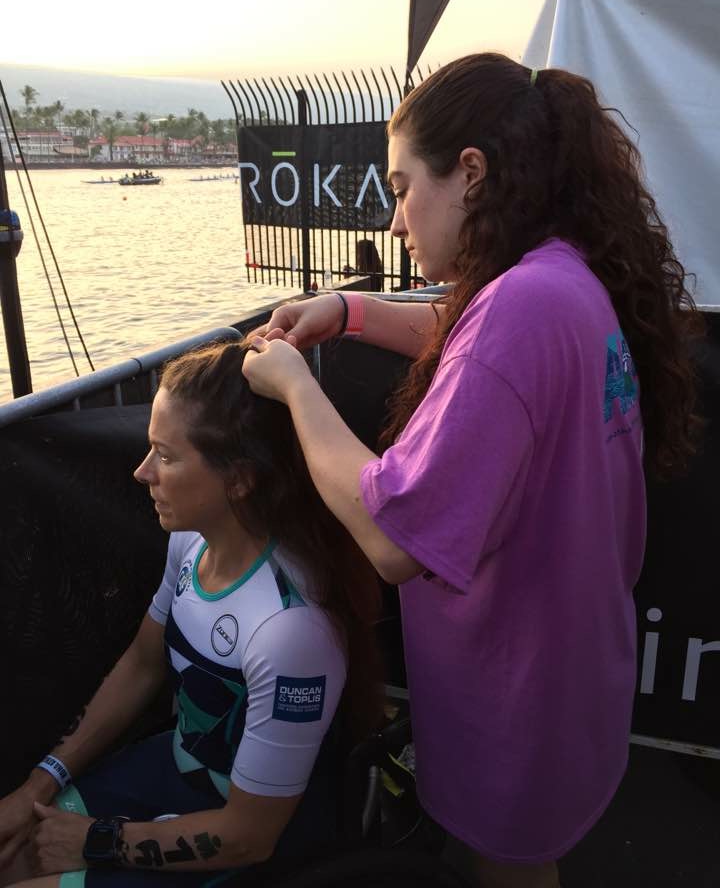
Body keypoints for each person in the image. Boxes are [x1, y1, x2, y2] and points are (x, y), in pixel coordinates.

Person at [241, 53, 701, 888]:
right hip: (574, 670)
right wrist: (349, 310)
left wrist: (295, 388)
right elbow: (478, 352)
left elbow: (392, 536)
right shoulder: (561, 278)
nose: (395, 222)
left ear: (472, 173)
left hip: (515, 695)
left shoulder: (519, 309)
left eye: (402, 187)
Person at [0, 341, 380, 888]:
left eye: (165, 455)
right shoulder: (192, 543)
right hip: (172, 772)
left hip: (244, 837)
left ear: (239, 478)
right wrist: (36, 787)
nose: (141, 472)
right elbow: (142, 664)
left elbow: (251, 834)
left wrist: (96, 840)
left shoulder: (290, 631)